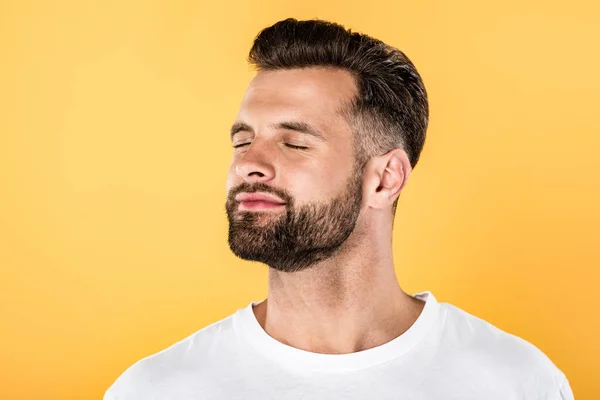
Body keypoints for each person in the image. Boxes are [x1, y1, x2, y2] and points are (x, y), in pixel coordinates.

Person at [104, 18, 573, 399]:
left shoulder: (515, 383)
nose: (249, 164)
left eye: (294, 143)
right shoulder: (156, 390)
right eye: (242, 140)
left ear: (385, 179)